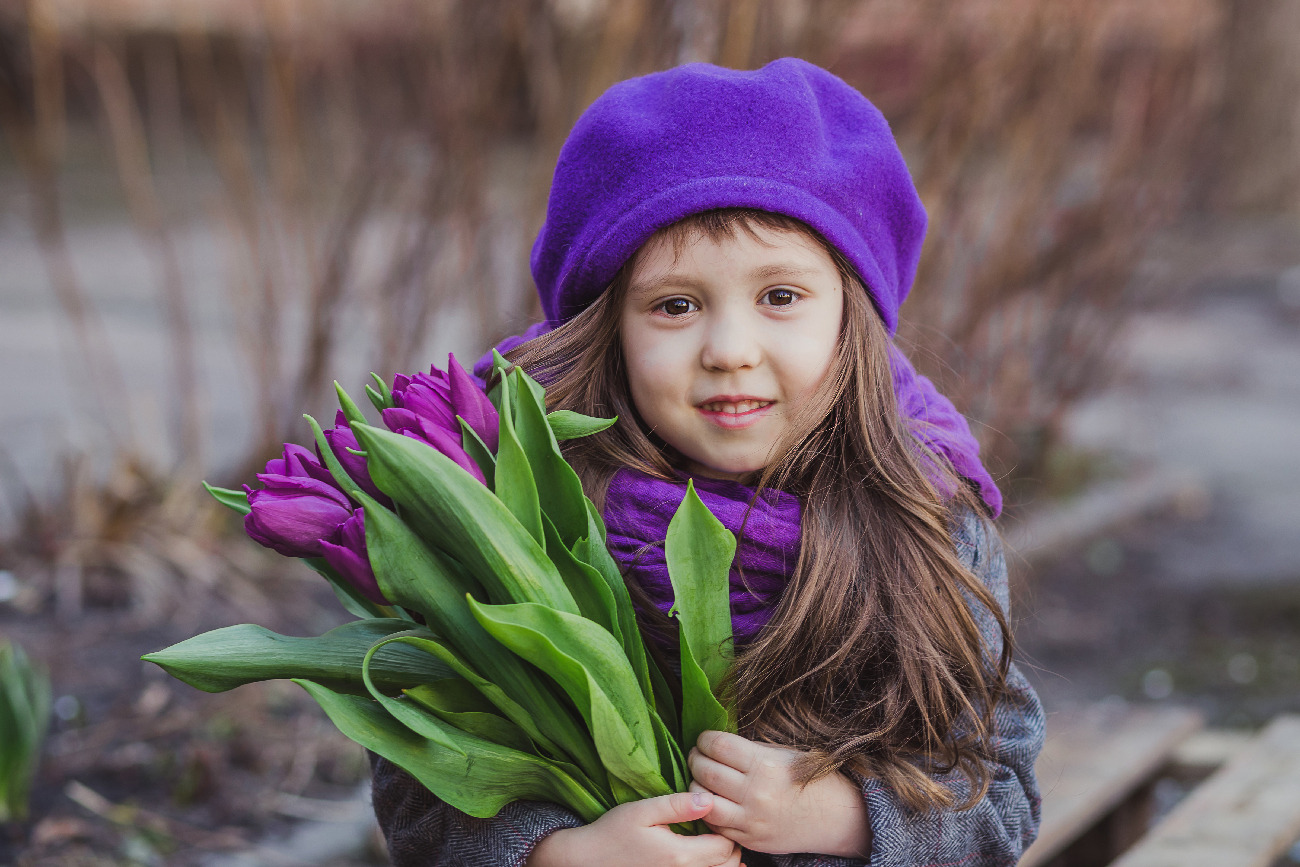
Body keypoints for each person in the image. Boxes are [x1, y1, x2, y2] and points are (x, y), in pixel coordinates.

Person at [370, 57, 1044, 867]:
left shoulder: (926, 513)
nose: (729, 351)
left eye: (780, 297)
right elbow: (415, 781)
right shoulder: (521, 509)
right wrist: (558, 854)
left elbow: (1002, 797)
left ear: (851, 313)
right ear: (607, 325)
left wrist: (841, 815)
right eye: (675, 305)